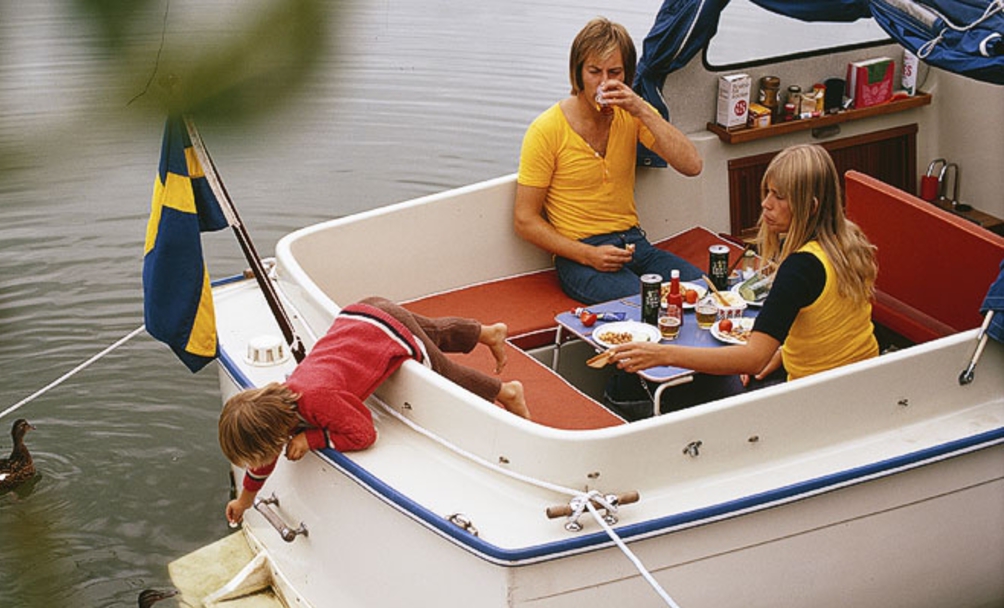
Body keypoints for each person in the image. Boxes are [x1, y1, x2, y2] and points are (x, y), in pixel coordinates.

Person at [219, 297, 530, 524]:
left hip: (385, 332)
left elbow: (365, 434)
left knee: (443, 375)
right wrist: (244, 501)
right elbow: (266, 457)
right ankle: (487, 333)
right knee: (433, 333)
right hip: (363, 313)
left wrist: (312, 439)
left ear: (275, 434)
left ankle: (507, 392)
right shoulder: (281, 400)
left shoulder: (317, 400)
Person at [607, 143, 879, 386]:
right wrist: (783, 353)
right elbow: (832, 327)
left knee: (699, 387)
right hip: (866, 379)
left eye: (779, 196)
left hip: (819, 394)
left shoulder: (800, 267)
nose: (766, 203)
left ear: (810, 207)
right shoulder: (849, 241)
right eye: (768, 192)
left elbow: (753, 360)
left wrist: (662, 354)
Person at [514, 16, 705, 305]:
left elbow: (692, 165)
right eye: (594, 72)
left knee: (702, 291)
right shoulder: (547, 129)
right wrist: (588, 255)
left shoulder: (632, 114)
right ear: (578, 74)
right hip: (580, 254)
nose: (605, 83)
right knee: (647, 304)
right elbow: (524, 219)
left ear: (626, 75)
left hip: (634, 244)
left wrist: (641, 108)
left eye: (614, 72)